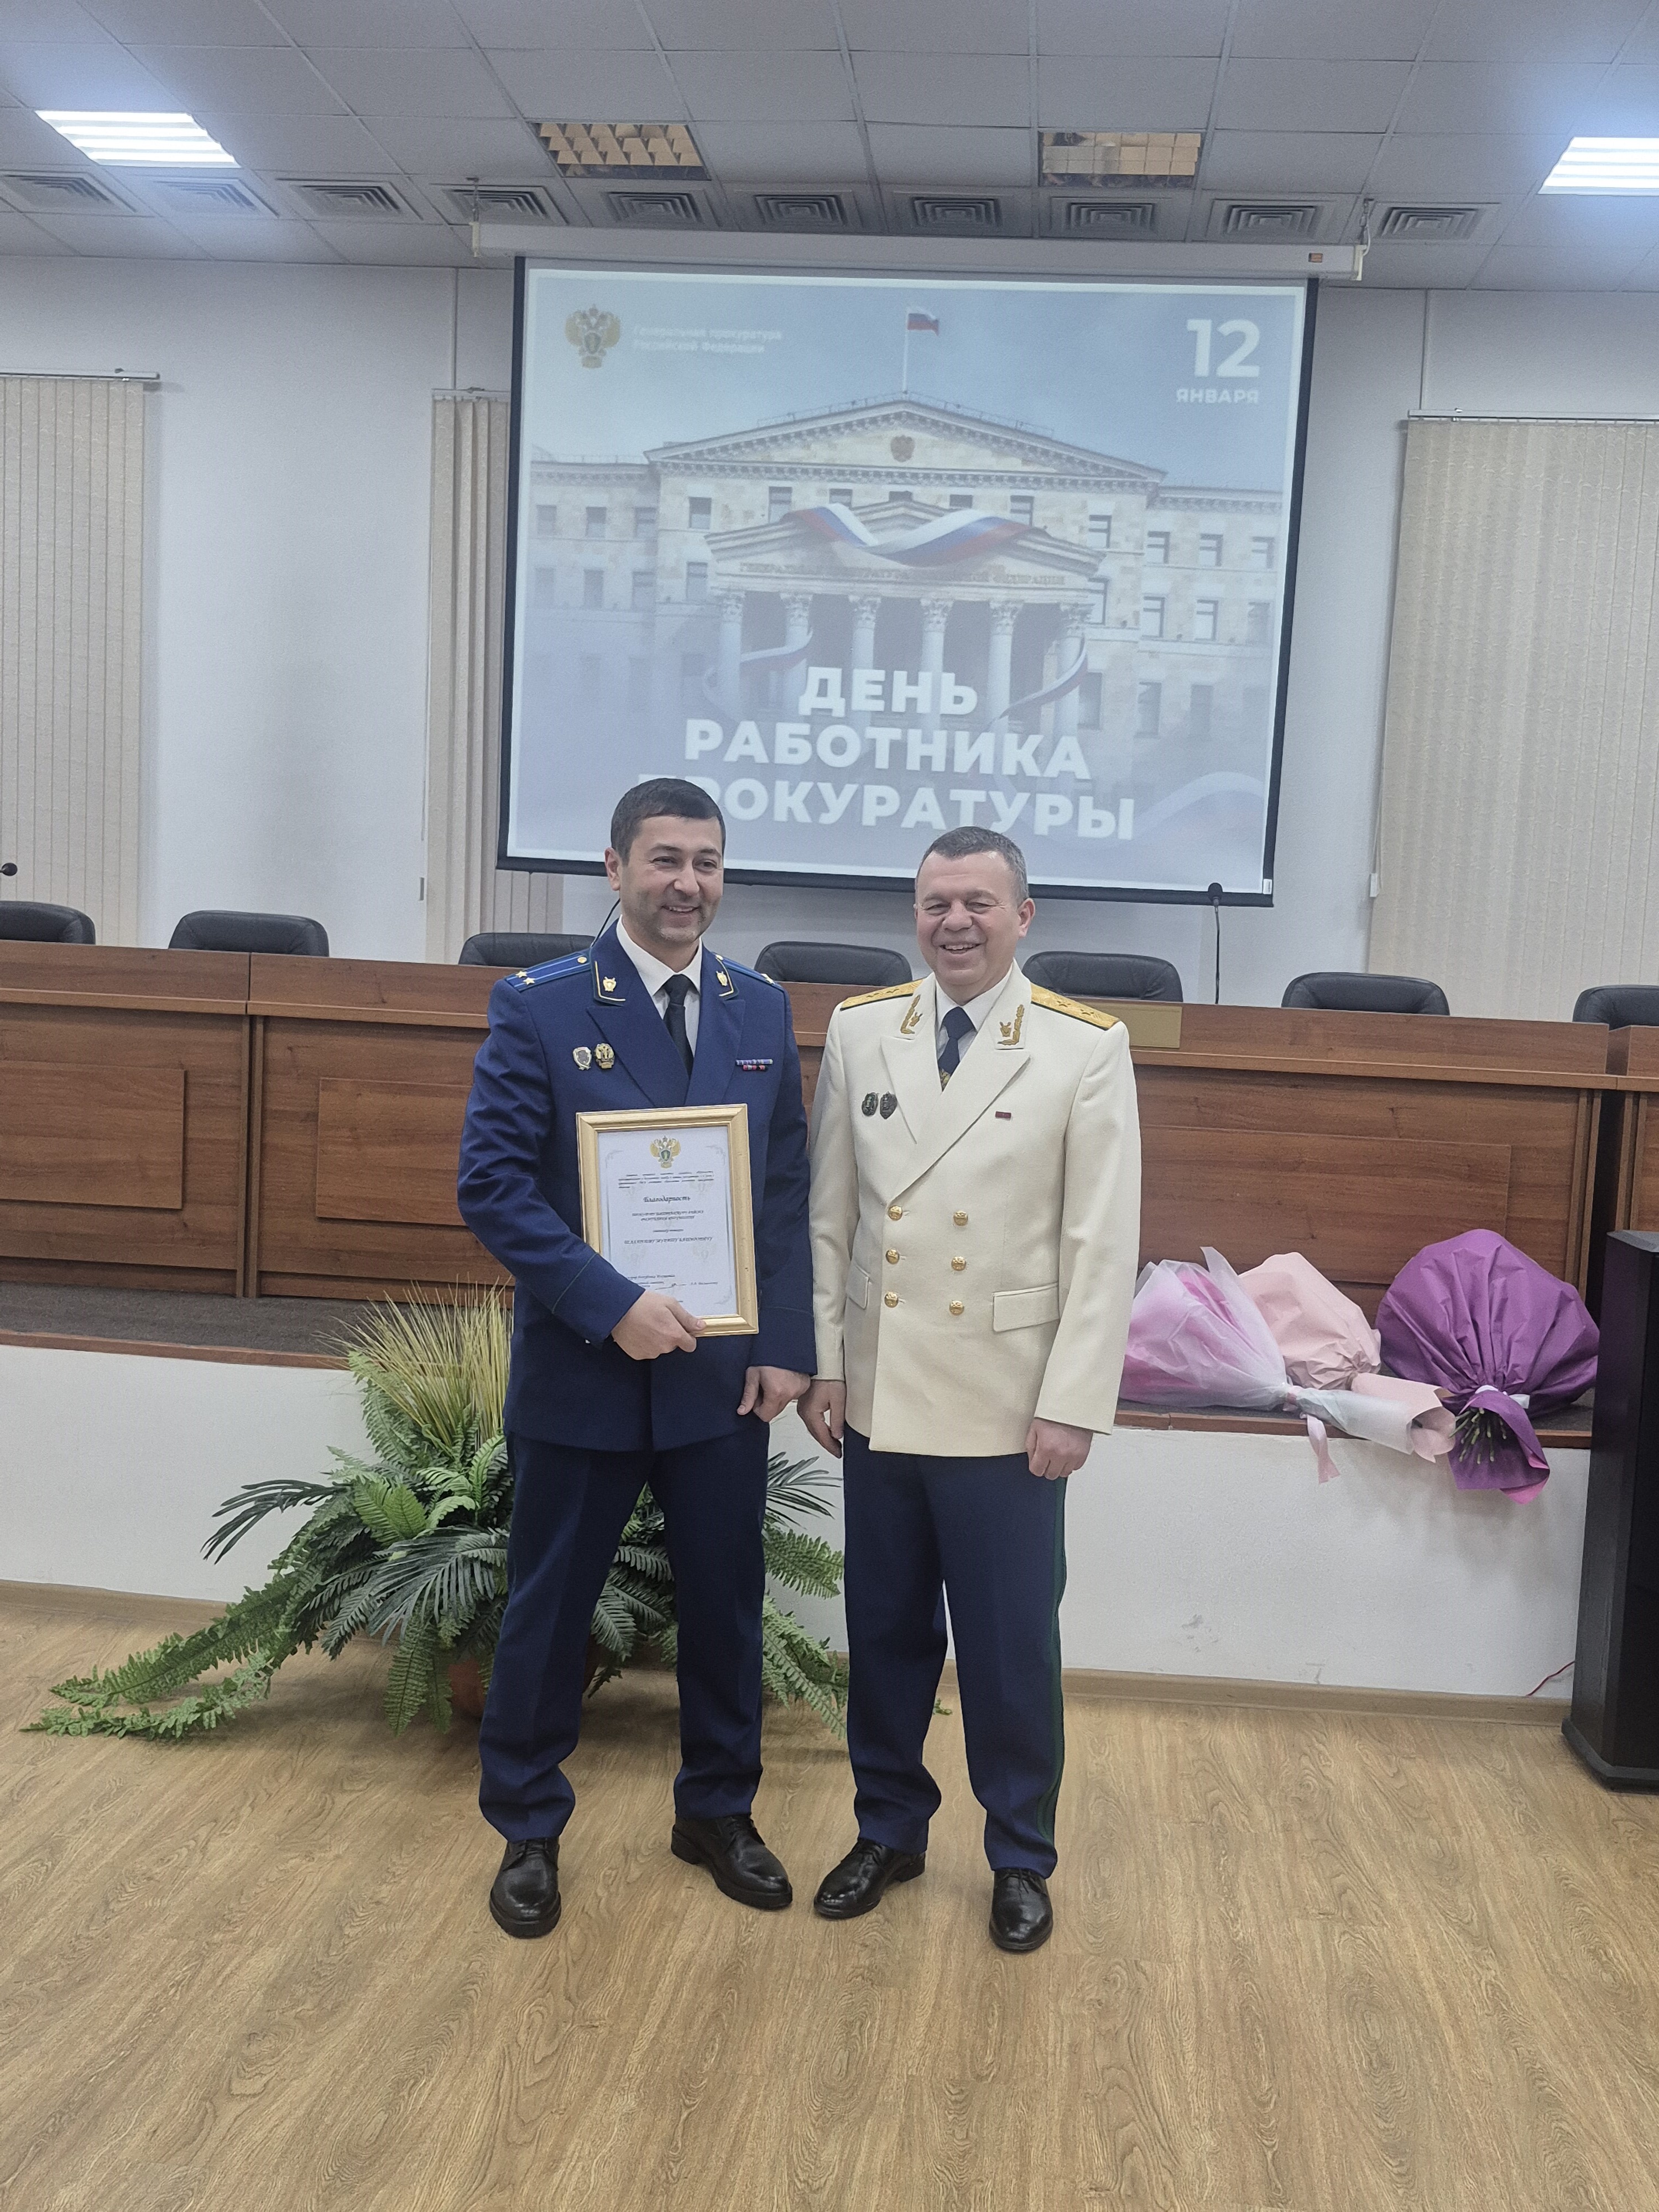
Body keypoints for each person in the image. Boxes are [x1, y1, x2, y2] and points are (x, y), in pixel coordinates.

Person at [458, 778, 814, 1937]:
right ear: (614, 868)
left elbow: (783, 1192)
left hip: (720, 1380)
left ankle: (717, 1811)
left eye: (706, 862)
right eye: (665, 860)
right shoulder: (541, 1005)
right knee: (550, 1611)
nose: (687, 884)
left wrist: (785, 1345)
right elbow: (493, 1187)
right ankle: (527, 1827)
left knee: (726, 1608)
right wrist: (609, 1304)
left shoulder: (760, 1010)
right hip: (585, 1373)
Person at [800, 827, 1141, 1953]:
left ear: (1023, 916)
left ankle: (1020, 1854)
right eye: (936, 902)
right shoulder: (862, 1031)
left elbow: (1101, 1246)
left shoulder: (1083, 1047)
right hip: (885, 1392)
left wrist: (1074, 1401)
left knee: (1007, 1650)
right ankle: (888, 1828)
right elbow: (830, 1218)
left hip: (1008, 1405)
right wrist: (828, 1363)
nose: (954, 922)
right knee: (886, 1634)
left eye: (978, 903)